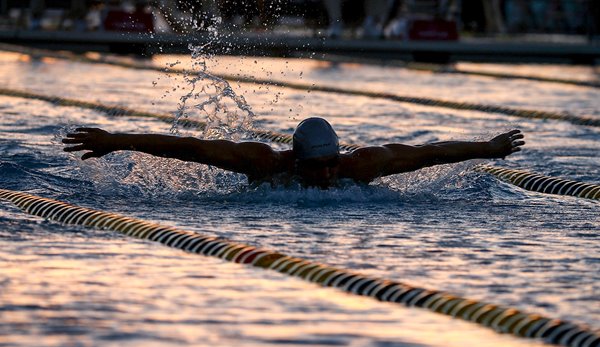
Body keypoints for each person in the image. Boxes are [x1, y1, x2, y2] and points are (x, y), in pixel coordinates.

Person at [63, 117, 525, 189]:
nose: (327, 176)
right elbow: (189, 147)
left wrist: (490, 147)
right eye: (317, 166)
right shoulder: (263, 163)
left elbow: (430, 153)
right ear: (297, 160)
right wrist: (115, 140)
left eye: (331, 163)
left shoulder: (359, 165)